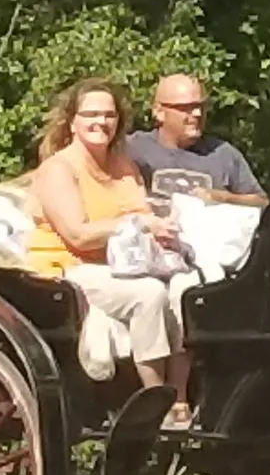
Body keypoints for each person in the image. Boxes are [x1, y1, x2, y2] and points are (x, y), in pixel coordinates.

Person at [26, 77, 197, 428]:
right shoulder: (59, 169)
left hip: (123, 263)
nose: (100, 122)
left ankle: (181, 395)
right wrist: (134, 225)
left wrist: (163, 227)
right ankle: (154, 400)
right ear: (72, 122)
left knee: (184, 286)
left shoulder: (123, 167)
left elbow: (143, 215)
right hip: (68, 266)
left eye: (108, 115)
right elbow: (77, 234)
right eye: (91, 114)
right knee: (148, 294)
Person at [125, 75, 264, 204]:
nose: (197, 114)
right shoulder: (134, 148)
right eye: (186, 108)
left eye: (200, 106)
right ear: (159, 112)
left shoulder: (223, 154)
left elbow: (261, 202)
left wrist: (224, 198)